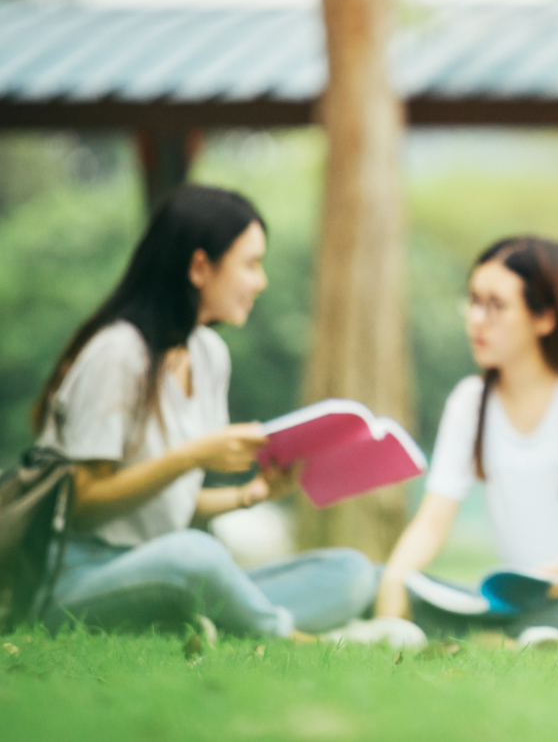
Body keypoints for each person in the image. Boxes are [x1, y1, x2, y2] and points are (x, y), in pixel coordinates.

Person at [36, 185, 377, 639]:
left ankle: (200, 622)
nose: (261, 281)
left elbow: (163, 506)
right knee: (195, 557)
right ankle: (285, 636)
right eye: (251, 264)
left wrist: (250, 495)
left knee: (348, 571)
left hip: (164, 565)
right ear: (200, 267)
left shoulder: (210, 355)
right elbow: (81, 507)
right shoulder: (117, 353)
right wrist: (193, 456)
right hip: (78, 578)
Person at [376, 236, 558, 641]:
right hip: (522, 599)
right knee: (387, 581)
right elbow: (433, 521)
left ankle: (508, 634)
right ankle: (518, 632)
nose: (476, 319)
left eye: (495, 305)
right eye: (472, 301)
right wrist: (393, 582)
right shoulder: (469, 403)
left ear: (545, 318)